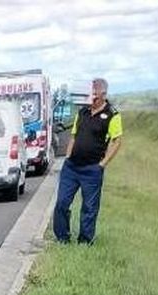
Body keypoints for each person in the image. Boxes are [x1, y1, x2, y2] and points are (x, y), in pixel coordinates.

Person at [53, 78, 123, 245]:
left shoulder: (112, 115)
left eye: (95, 96)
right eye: (90, 95)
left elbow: (117, 141)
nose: (92, 99)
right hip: (72, 167)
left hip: (92, 168)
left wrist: (102, 164)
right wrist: (68, 156)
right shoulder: (82, 112)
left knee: (89, 208)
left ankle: (85, 241)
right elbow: (74, 135)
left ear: (103, 94)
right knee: (62, 202)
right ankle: (62, 238)